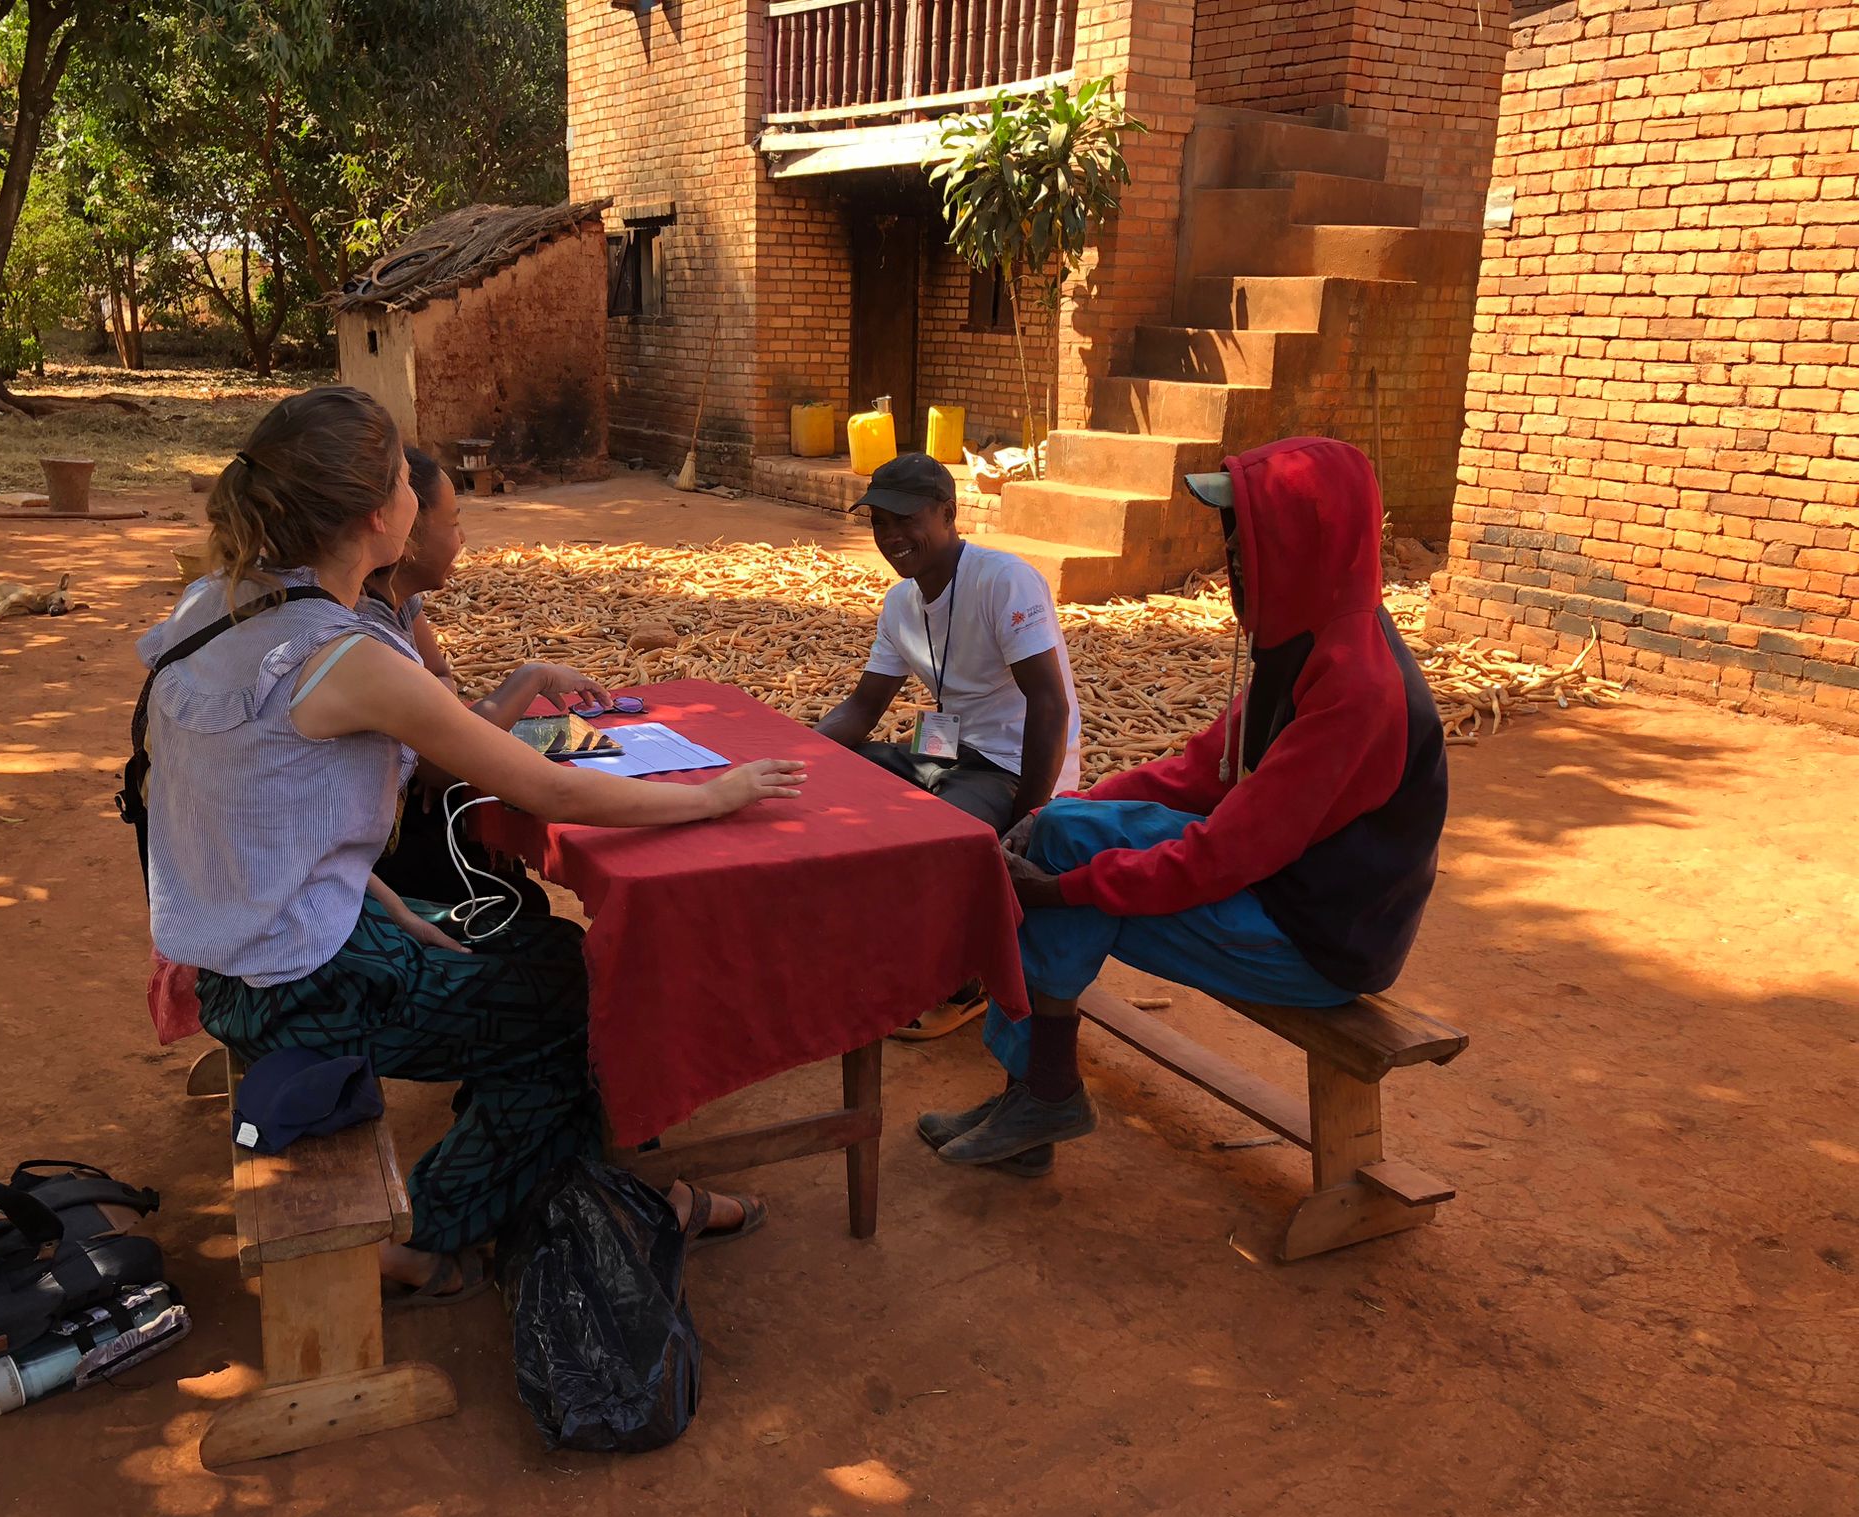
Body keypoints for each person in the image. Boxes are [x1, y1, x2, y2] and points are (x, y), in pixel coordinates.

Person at [142, 386, 805, 1301]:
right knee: (576, 1003)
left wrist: (384, 906)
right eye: (411, 484)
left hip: (239, 951)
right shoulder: (348, 658)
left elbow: (251, 816)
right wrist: (717, 796)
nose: (427, 500)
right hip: (298, 985)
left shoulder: (212, 609)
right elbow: (545, 786)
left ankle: (586, 1195)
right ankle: (434, 1226)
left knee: (539, 952)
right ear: (382, 517)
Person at [921, 436, 1448, 1172]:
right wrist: (1057, 812)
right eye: (1230, 534)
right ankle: (1036, 1091)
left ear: (1303, 541)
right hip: (1279, 896)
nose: (1233, 553)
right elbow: (1201, 773)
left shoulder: (1356, 690)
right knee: (1067, 830)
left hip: (1316, 944)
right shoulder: (1311, 642)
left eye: (1250, 534)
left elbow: (1226, 854)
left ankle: (1040, 1092)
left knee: (1068, 875)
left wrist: (1065, 885)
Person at [815, 451, 1080, 1045]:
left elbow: (1051, 705)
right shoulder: (900, 603)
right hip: (953, 748)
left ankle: (966, 979)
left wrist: (1026, 817)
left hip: (1014, 764)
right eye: (880, 522)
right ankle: (868, 940)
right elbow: (861, 710)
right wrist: (797, 756)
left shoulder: (1002, 579)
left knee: (938, 834)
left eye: (906, 520)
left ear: (949, 514)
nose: (891, 537)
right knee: (841, 780)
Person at [360, 446, 608, 906]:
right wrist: (531, 677)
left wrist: (435, 735)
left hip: (410, 806)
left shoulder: (397, 598)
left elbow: (438, 677)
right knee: (517, 904)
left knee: (498, 870)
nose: (463, 537)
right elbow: (451, 766)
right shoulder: (363, 633)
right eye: (453, 522)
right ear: (404, 536)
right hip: (361, 864)